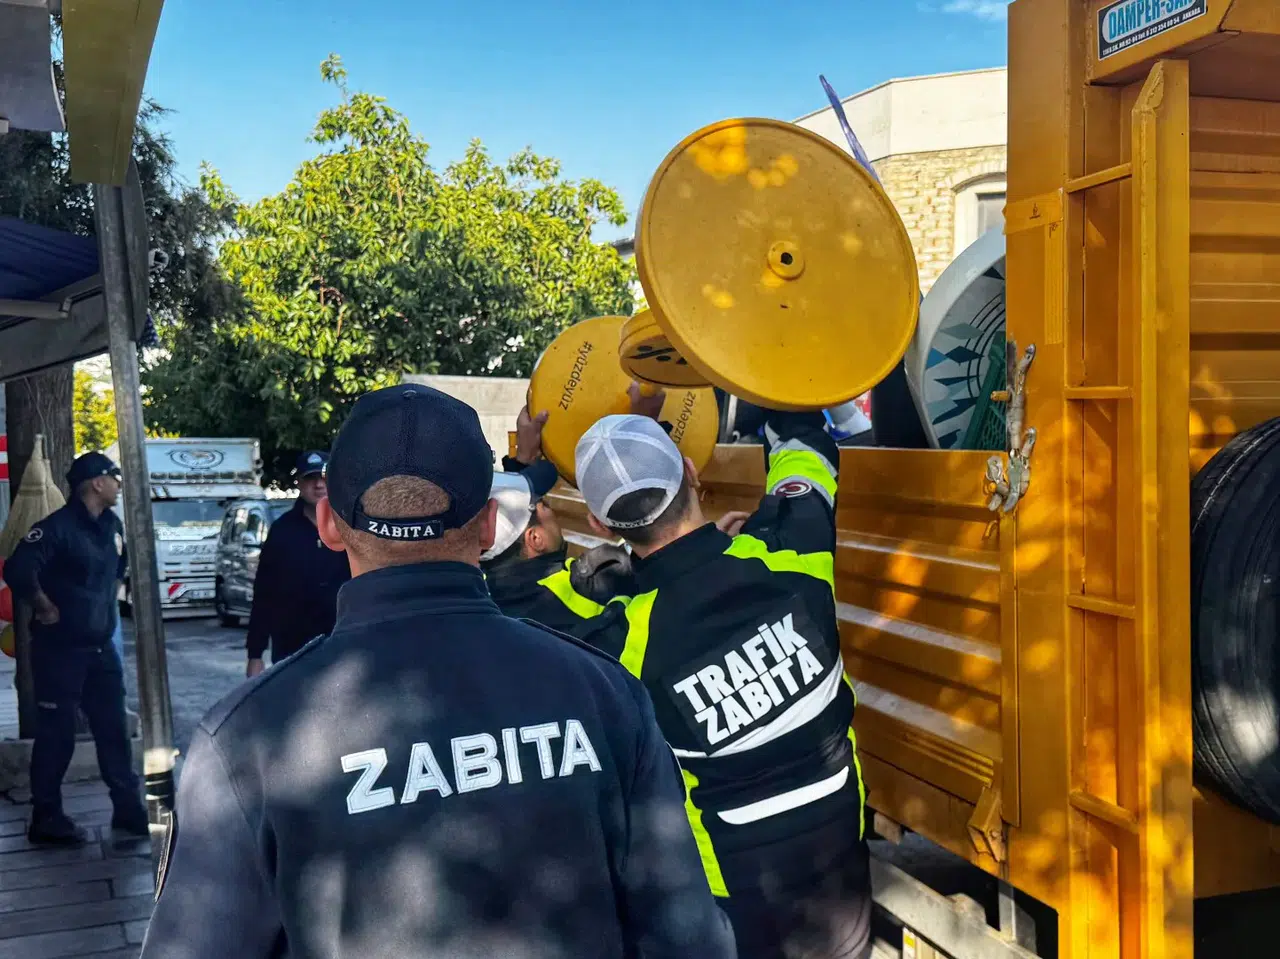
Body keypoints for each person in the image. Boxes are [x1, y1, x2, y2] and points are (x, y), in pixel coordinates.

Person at [141, 383, 736, 959]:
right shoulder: (604, 694)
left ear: (327, 524)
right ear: (485, 526)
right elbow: (687, 935)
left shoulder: (245, 743)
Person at [567, 404, 872, 959]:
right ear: (691, 470)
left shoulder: (620, 644)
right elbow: (807, 452)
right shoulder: (792, 550)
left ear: (600, 526)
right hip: (841, 870)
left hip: (740, 904)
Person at [4, 451, 149, 845]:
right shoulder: (57, 528)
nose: (119, 484)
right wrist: (44, 605)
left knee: (113, 730)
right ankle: (46, 818)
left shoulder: (112, 526)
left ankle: (129, 811)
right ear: (96, 483)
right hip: (60, 650)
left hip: (100, 650)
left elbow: (117, 571)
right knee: (57, 735)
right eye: (114, 478)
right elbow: (17, 569)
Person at [481, 405, 632, 630]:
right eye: (544, 504)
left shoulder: (485, 596)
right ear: (535, 539)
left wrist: (523, 460)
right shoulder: (595, 582)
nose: (550, 509)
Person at [245, 450, 351, 678]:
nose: (318, 485)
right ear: (300, 484)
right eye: (310, 479)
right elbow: (264, 593)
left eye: (323, 478)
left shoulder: (350, 529)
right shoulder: (282, 532)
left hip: (342, 645)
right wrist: (255, 654)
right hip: (292, 649)